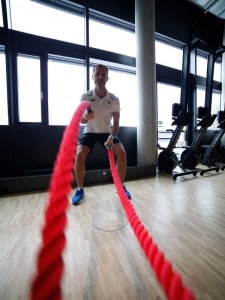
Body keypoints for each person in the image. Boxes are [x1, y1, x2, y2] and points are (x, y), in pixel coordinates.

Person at [72, 64, 131, 205]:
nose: (100, 77)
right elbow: (81, 120)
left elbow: (116, 123)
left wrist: (111, 137)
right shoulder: (85, 96)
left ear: (107, 77)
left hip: (106, 132)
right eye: (97, 74)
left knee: (121, 153)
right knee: (79, 154)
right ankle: (80, 189)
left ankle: (120, 187)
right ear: (92, 76)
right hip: (90, 132)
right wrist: (87, 118)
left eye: (103, 74)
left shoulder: (114, 98)